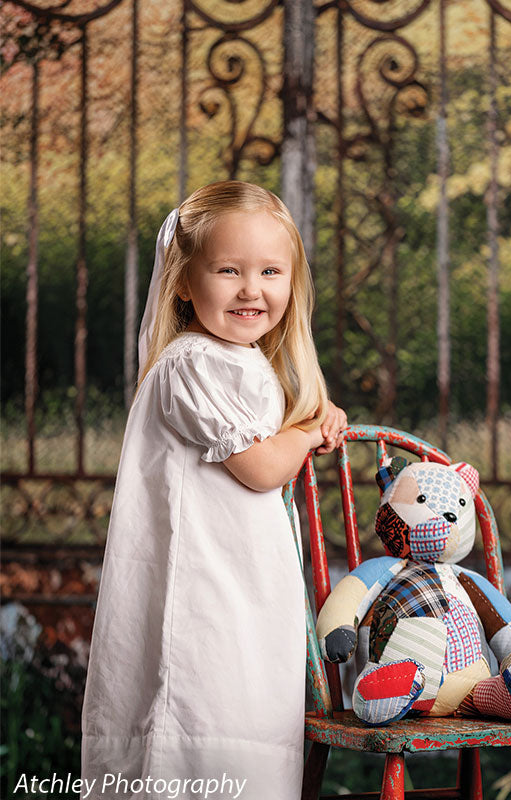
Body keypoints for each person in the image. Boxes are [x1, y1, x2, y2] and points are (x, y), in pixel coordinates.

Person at [80, 180, 347, 800]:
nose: (251, 289)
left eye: (270, 271)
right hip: (204, 585)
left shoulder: (242, 361)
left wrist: (312, 411)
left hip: (243, 581)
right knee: (201, 712)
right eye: (228, 270)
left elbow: (266, 417)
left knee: (246, 714)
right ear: (182, 281)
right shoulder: (192, 363)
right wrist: (307, 434)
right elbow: (259, 466)